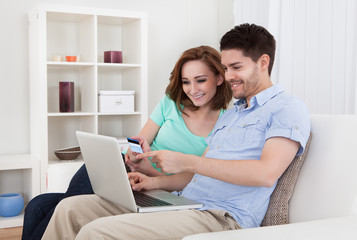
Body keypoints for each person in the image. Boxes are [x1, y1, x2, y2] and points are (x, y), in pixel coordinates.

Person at [41, 23, 311, 240]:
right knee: (70, 209)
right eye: (226, 68)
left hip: (223, 218)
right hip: (186, 202)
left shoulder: (287, 108)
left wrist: (185, 160)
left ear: (263, 62)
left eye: (237, 67)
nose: (229, 76)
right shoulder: (233, 114)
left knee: (95, 232)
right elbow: (196, 175)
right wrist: (154, 183)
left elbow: (266, 174)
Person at [21, 45, 232, 240]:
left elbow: (193, 178)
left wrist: (149, 169)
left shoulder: (226, 124)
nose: (192, 89)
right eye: (186, 81)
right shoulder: (171, 102)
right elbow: (139, 140)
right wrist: (136, 153)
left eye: (200, 80)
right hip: (129, 169)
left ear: (219, 78)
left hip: (156, 184)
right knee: (37, 205)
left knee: (41, 207)